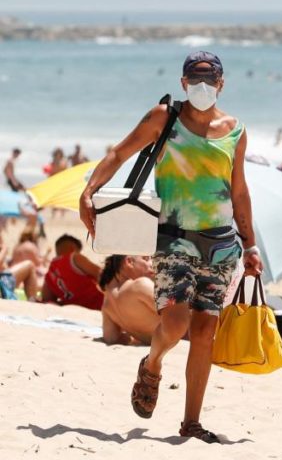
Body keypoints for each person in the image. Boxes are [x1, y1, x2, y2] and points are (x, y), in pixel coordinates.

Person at [79, 51, 262, 443]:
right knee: (176, 324)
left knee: (204, 333)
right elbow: (118, 152)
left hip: (220, 244)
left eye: (209, 80)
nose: (202, 87)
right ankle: (153, 362)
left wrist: (250, 245)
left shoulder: (235, 131)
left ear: (221, 84)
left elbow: (239, 191)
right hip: (173, 236)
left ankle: (191, 423)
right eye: (195, 80)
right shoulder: (165, 117)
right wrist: (89, 190)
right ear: (183, 83)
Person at [100, 255, 160, 346]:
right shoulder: (141, 285)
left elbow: (111, 338)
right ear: (129, 262)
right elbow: (177, 315)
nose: (152, 264)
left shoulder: (107, 306)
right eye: (146, 259)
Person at [40, 234, 103, 310]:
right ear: (73, 247)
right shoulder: (74, 257)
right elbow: (101, 274)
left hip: (75, 309)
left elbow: (47, 298)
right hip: (98, 305)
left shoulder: (49, 274)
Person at [0, 235, 41, 300]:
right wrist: (4, 250)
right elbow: (38, 262)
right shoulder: (30, 246)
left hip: (4, 278)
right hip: (3, 282)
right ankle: (33, 301)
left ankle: (33, 299)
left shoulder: (18, 247)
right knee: (30, 265)